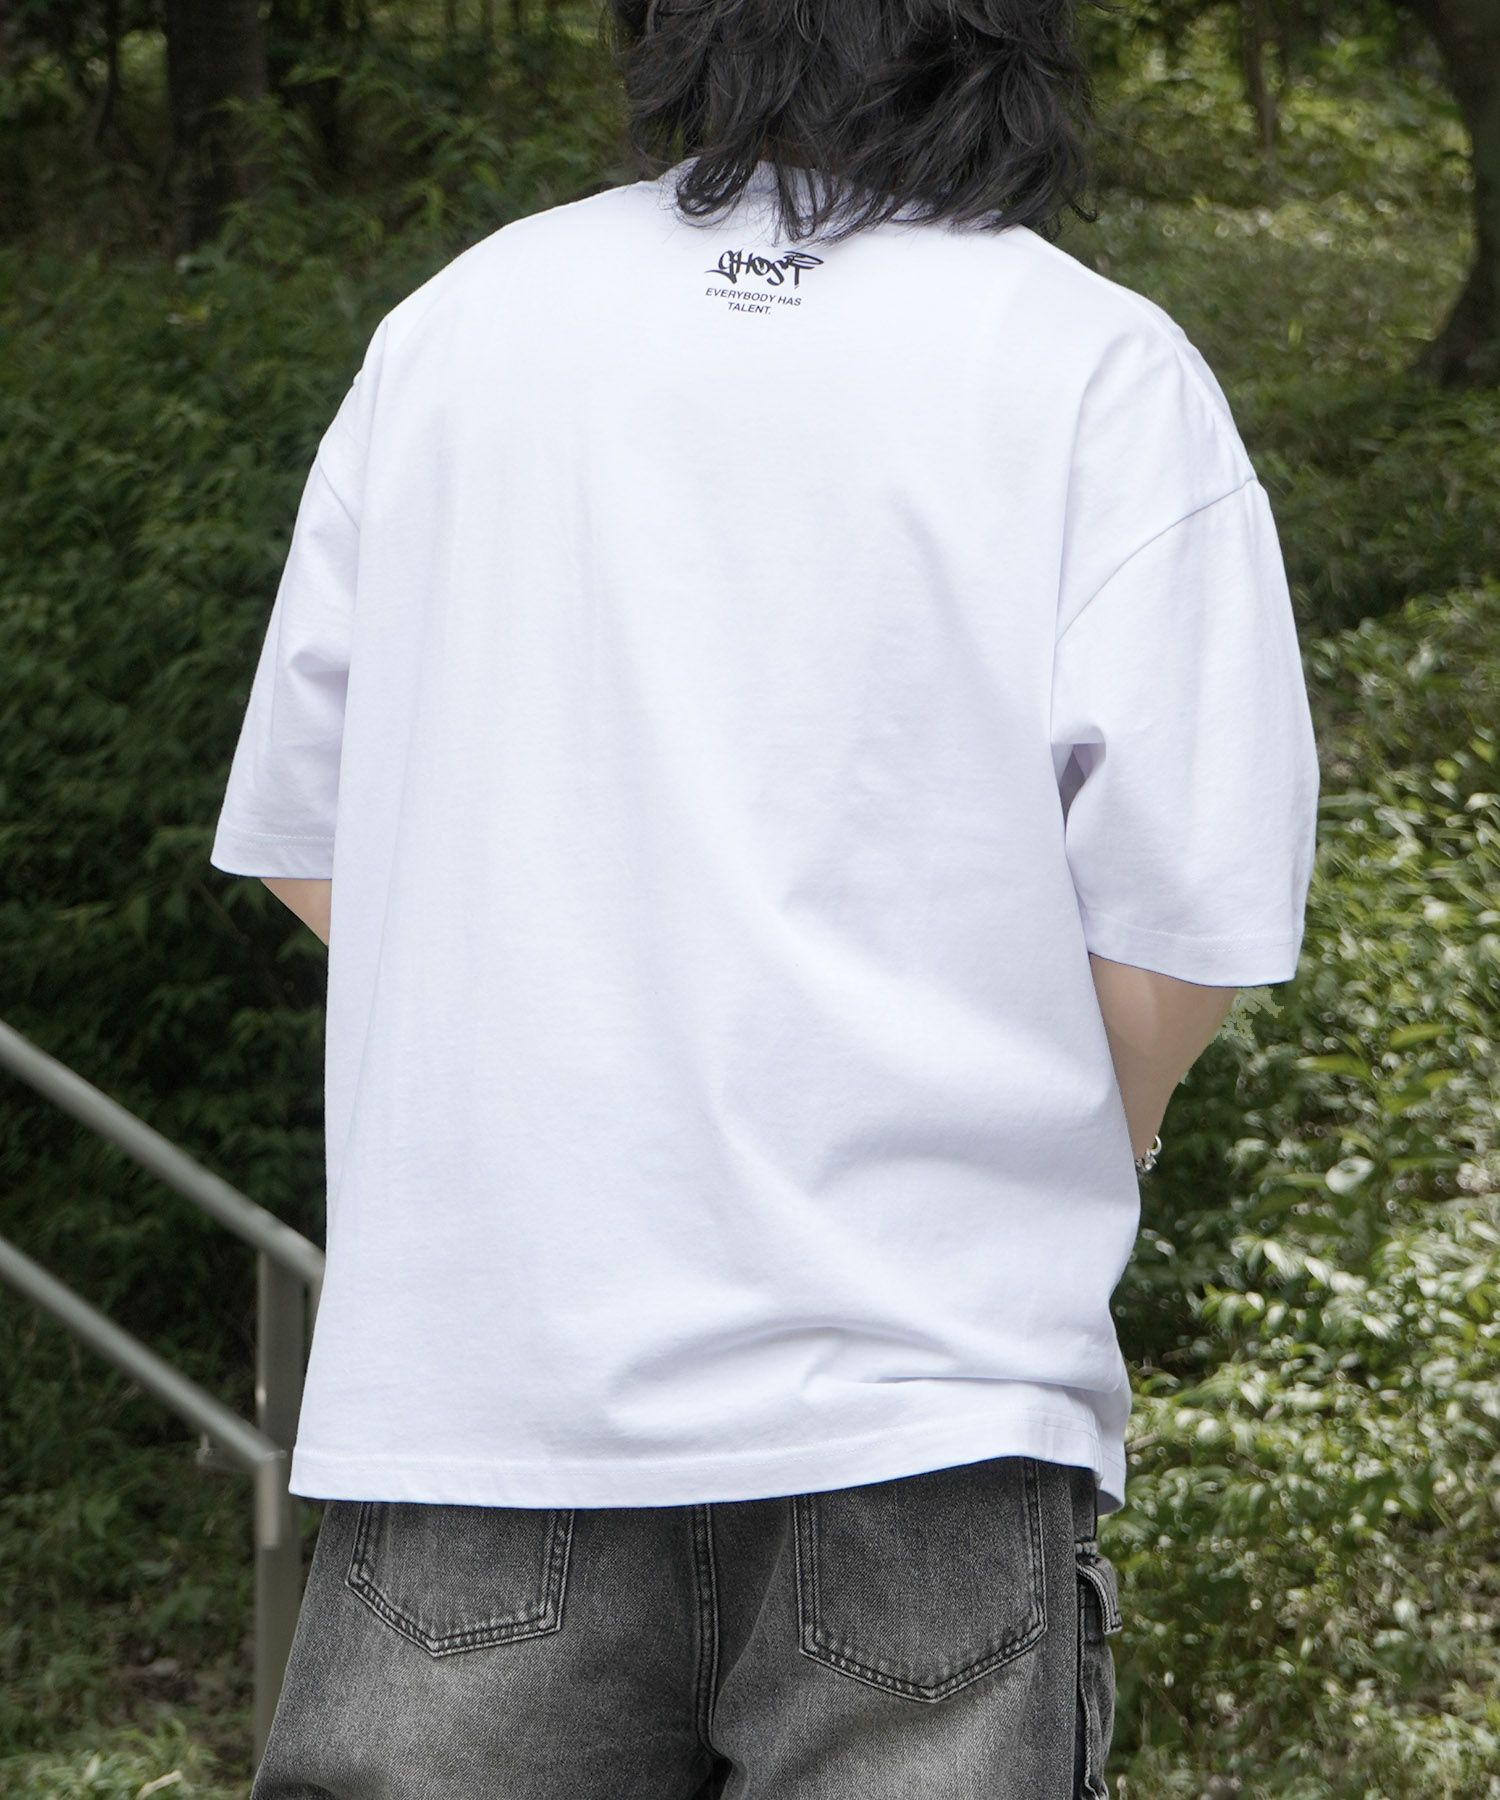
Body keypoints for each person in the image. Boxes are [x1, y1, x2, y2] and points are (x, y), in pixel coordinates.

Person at [208, 2, 1321, 1793]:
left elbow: (313, 842)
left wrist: (581, 1034)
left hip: (489, 1399)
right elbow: (1182, 924)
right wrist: (1074, 1125)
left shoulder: (464, 332)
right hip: (928, 1410)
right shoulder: (1095, 365)